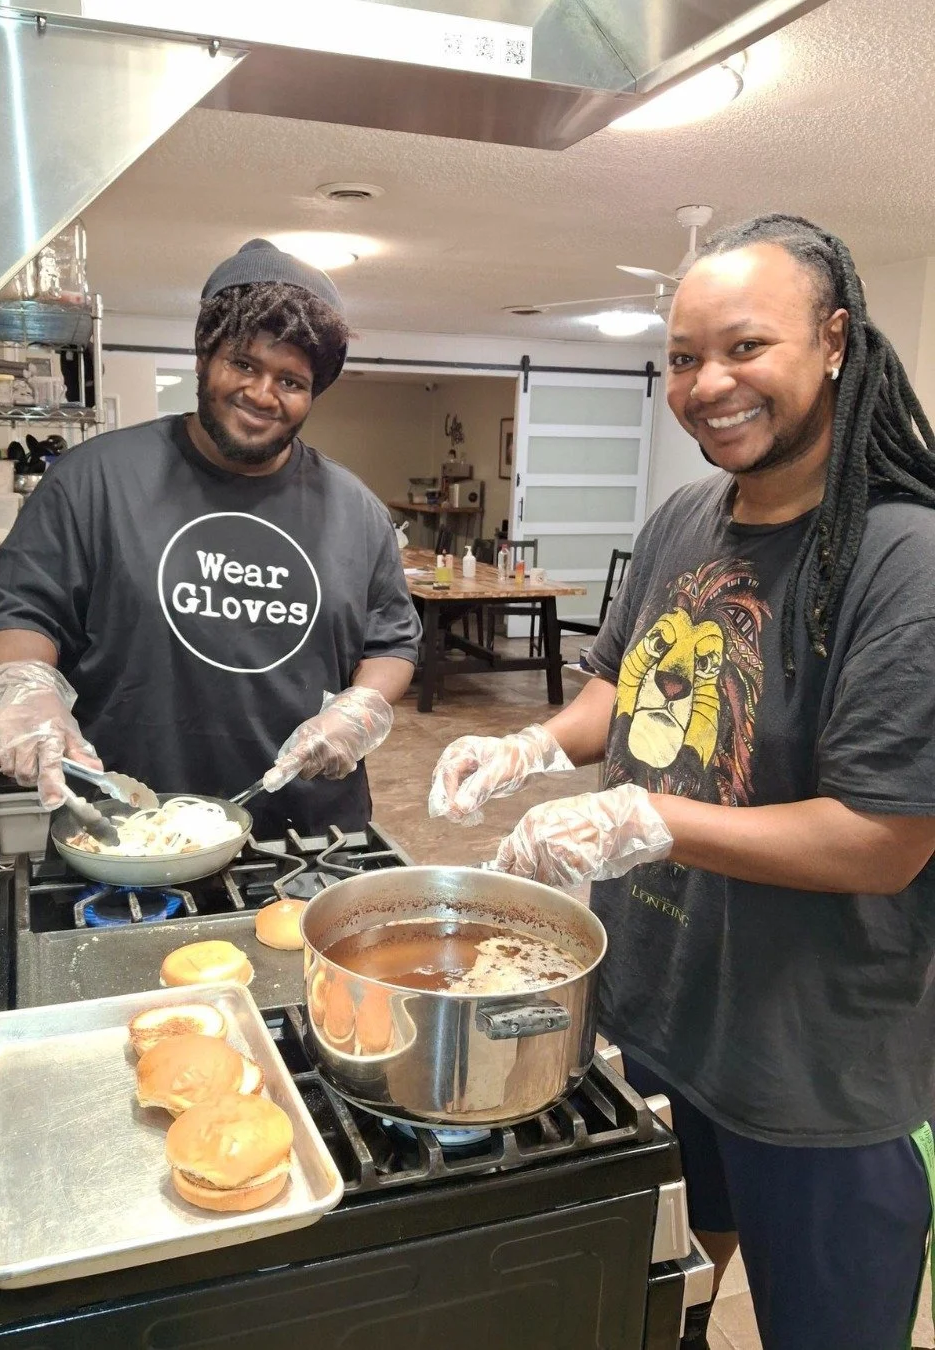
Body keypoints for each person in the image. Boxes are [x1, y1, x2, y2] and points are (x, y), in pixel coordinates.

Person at [429, 215, 935, 1350]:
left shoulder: (905, 561)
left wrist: (647, 817)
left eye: (745, 348)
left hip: (811, 1062)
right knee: (663, 1293)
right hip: (656, 1005)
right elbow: (618, 686)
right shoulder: (685, 519)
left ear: (836, 340)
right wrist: (533, 748)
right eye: (684, 356)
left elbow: (882, 839)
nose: (708, 384)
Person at [0, 238, 421, 837]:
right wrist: (28, 692)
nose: (263, 394)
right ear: (202, 357)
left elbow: (391, 641)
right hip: (126, 825)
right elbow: (20, 609)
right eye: (244, 364)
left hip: (305, 832)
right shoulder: (94, 480)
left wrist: (360, 708)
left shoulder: (356, 511)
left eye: (291, 380)